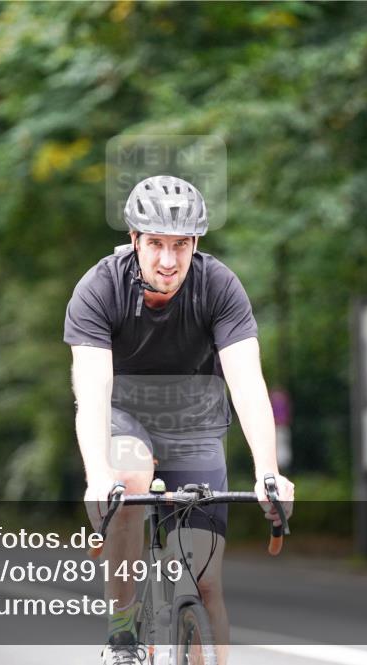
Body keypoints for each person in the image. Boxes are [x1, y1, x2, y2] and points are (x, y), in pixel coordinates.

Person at [64, 175, 295, 665]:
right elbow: (92, 392)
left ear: (195, 244)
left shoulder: (218, 286)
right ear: (134, 241)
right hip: (124, 416)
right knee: (129, 474)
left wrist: (268, 470)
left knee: (206, 582)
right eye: (156, 245)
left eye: (181, 246)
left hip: (195, 424)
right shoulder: (99, 289)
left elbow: (248, 384)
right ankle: (123, 635)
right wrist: (98, 477)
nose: (168, 261)